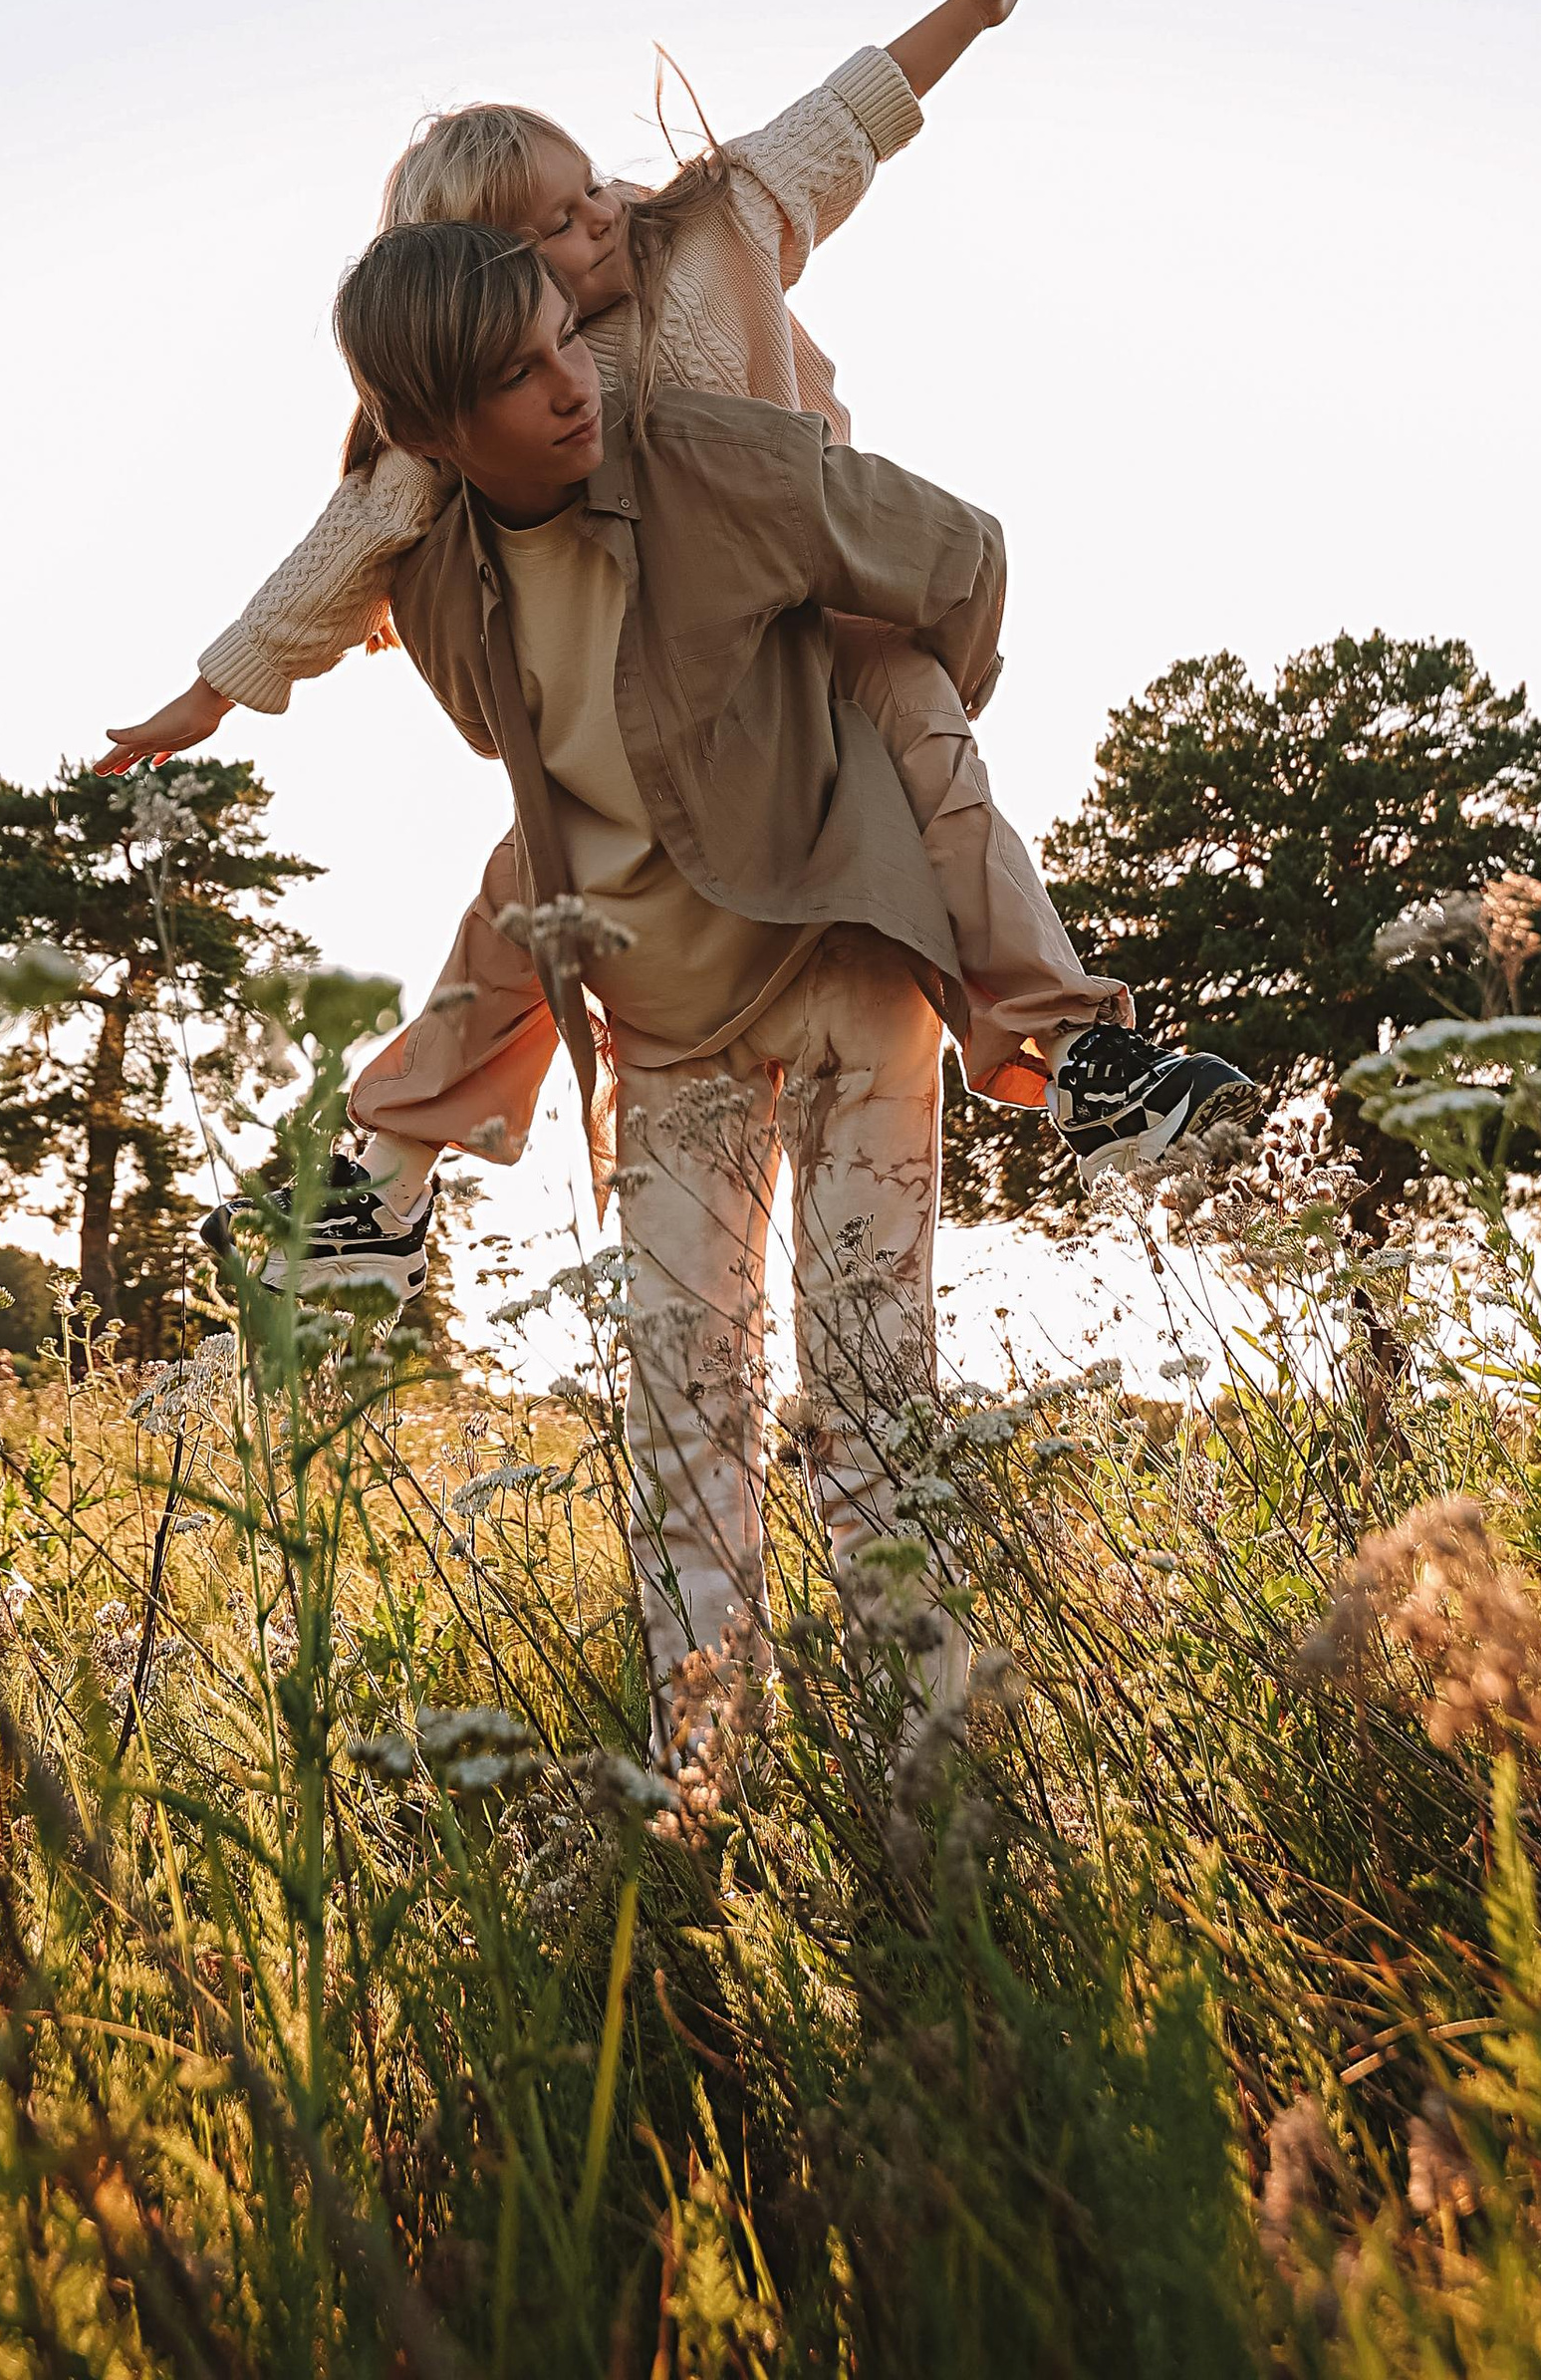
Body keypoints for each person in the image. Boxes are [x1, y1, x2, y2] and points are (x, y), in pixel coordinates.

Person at [102, 0, 1223, 1247]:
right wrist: (213, 692)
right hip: (639, 685)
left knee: (928, 737)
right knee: (529, 886)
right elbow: (346, 548)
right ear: (481, 285)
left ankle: (1073, 1056)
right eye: (563, 229)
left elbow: (845, 117)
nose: (606, 220)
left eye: (595, 190)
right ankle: (385, 1178)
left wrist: (971, 11)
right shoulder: (479, 404)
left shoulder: (715, 229)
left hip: (813, 619)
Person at [265, 218, 1241, 1706]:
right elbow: (515, 762)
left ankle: (919, 1781)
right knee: (687, 1436)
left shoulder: (714, 460)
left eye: (566, 342)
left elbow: (960, 556)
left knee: (868, 1406)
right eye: (522, 380)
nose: (571, 385)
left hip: (850, 968)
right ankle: (702, 1807)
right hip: (664, 1026)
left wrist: (861, 728)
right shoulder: (446, 591)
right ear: (434, 436)